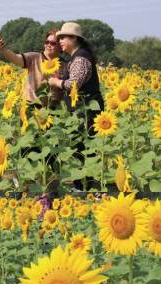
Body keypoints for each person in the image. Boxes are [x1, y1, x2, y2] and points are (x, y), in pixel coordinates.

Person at [47, 22, 104, 191]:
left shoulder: (80, 58)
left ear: (74, 39)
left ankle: (85, 187)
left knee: (85, 147)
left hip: (87, 110)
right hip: (81, 109)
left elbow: (74, 84)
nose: (60, 41)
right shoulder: (76, 57)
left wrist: (56, 82)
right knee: (80, 146)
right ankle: (82, 185)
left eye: (63, 37)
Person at [0, 29, 63, 106]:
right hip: (31, 104)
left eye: (53, 43)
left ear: (60, 46)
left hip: (53, 108)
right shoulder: (34, 57)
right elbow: (16, 58)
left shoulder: (65, 64)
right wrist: (4, 50)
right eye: (46, 42)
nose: (48, 45)